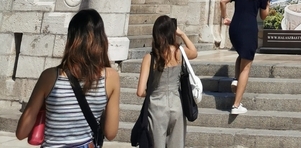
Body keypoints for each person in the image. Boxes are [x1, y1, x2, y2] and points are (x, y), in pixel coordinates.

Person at [16, 8, 120, 146]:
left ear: (71, 39)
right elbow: (110, 133)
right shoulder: (111, 77)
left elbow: (21, 132)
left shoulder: (49, 76)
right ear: (101, 40)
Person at [137, 15, 198, 148]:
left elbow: (140, 92)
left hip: (156, 107)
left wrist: (153, 91)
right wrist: (182, 34)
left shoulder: (149, 58)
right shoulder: (179, 52)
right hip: (177, 104)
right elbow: (194, 52)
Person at [220, 0, 272, 114]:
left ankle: (236, 80)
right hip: (249, 30)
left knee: (241, 54)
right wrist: (268, 3)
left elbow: (222, 1)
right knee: (246, 67)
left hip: (234, 29)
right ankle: (236, 106)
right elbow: (263, 16)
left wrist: (225, 17)